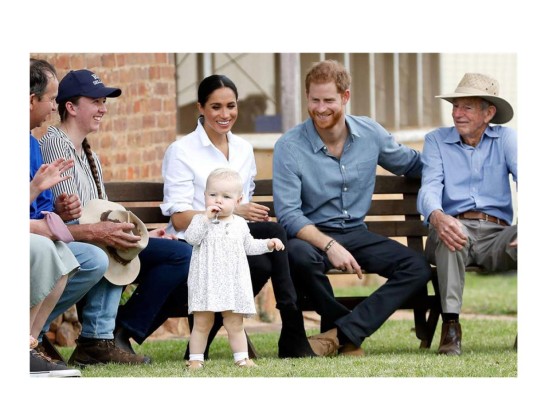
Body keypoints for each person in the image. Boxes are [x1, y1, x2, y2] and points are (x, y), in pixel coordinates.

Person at [272, 59, 432, 357]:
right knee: (296, 255)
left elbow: (411, 163)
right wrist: (330, 245)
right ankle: (347, 333)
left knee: (417, 268)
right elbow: (290, 215)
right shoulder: (289, 146)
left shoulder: (369, 133)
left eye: (329, 100)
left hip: (357, 234)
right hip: (312, 237)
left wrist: (453, 158)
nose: (320, 108)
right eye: (314, 100)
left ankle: (343, 333)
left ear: (345, 97)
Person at [39, 68, 192, 365]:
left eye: (103, 102)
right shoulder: (56, 142)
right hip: (71, 241)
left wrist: (141, 232)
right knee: (111, 249)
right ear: (70, 107)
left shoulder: (89, 154)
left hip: (94, 238)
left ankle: (111, 334)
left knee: (178, 253)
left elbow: (102, 211)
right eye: (95, 101)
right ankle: (84, 337)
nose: (102, 109)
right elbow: (76, 219)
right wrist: (119, 233)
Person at [161, 74, 316, 359]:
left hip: (233, 242)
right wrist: (233, 212)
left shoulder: (244, 149)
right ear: (200, 108)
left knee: (273, 240)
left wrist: (246, 214)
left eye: (231, 106)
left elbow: (242, 202)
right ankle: (293, 330)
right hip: (199, 244)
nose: (225, 114)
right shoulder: (181, 151)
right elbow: (181, 218)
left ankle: (289, 330)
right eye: (216, 107)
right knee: (275, 240)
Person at [417, 72, 517, 356]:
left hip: (497, 235)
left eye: (467, 107)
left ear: (489, 113)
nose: (457, 114)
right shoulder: (436, 140)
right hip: (452, 228)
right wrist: (437, 215)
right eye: (455, 106)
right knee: (452, 233)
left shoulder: (507, 139)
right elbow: (430, 187)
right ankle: (451, 327)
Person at [185, 168, 285, 369]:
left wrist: (268, 244)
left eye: (226, 196)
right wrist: (205, 218)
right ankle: (195, 359)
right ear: (204, 196)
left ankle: (241, 358)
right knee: (202, 323)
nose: (218, 200)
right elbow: (191, 238)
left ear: (238, 201)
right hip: (207, 282)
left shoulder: (240, 224)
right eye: (212, 195)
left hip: (232, 283)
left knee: (235, 323)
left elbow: (248, 246)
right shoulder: (200, 221)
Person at [29, 64, 82, 376]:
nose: (54, 106)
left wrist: (58, 212)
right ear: (30, 99)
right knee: (46, 250)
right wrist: (36, 188)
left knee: (66, 256)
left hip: (34, 231)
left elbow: (40, 206)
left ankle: (28, 344)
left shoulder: (31, 143)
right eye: (51, 99)